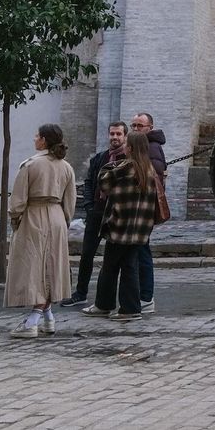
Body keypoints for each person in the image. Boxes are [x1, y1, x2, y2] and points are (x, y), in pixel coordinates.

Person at [5, 124, 76, 338]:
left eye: (37, 135)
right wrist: (64, 220)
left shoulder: (30, 165)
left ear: (44, 140)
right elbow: (70, 200)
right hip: (56, 216)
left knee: (34, 266)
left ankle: (33, 319)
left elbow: (18, 199)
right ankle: (48, 316)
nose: (34, 138)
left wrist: (15, 218)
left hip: (34, 215)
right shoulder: (66, 167)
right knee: (51, 266)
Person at [82, 129, 159, 322]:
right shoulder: (148, 169)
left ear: (130, 147)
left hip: (119, 226)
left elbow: (104, 181)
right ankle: (130, 307)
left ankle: (104, 304)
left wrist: (116, 160)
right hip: (139, 228)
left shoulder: (125, 168)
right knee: (130, 266)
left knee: (109, 267)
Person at [60, 120, 127, 307]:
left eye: (118, 134)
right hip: (97, 212)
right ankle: (80, 292)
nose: (115, 137)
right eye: (112, 134)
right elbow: (90, 182)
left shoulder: (128, 159)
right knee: (87, 254)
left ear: (124, 136)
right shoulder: (100, 158)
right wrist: (89, 206)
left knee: (117, 257)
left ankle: (112, 298)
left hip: (117, 214)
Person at [128, 111, 166, 314]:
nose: (135, 129)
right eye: (133, 125)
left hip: (144, 210)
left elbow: (153, 176)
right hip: (139, 209)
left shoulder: (151, 148)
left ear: (149, 128)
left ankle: (146, 296)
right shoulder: (143, 146)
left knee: (142, 252)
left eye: (139, 126)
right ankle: (141, 295)